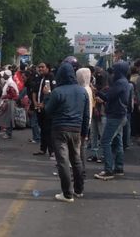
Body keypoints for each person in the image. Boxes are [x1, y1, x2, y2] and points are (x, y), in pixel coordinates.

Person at [44, 62, 89, 203]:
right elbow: (86, 115)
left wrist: (46, 96)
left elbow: (48, 111)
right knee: (76, 160)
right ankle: (79, 190)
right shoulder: (82, 91)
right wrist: (84, 133)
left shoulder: (57, 91)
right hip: (76, 130)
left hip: (59, 129)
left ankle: (67, 194)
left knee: (63, 161)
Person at [94, 61, 130, 181]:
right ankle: (119, 167)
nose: (113, 73)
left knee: (105, 141)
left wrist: (96, 91)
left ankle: (108, 170)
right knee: (117, 141)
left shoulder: (120, 83)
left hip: (115, 115)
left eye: (115, 71)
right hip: (120, 115)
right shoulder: (124, 82)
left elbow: (108, 96)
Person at [32, 63, 57, 160]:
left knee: (48, 129)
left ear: (48, 68)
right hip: (38, 107)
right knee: (42, 128)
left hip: (47, 108)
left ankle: (52, 151)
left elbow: (51, 93)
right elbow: (34, 91)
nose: (40, 68)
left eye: (43, 67)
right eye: (39, 67)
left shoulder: (50, 78)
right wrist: (34, 102)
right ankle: (43, 149)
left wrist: (43, 103)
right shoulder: (38, 78)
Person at [76, 67, 93, 178]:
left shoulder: (84, 90)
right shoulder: (87, 88)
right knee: (79, 148)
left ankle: (80, 171)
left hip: (82, 123)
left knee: (79, 148)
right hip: (85, 122)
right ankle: (80, 170)